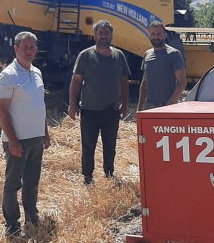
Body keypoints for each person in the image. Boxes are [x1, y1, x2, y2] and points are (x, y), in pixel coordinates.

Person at [0, 32, 51, 237]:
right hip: (17, 140)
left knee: (32, 182)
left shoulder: (36, 72)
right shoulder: (8, 76)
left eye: (32, 47)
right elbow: (1, 110)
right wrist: (13, 140)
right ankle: (12, 224)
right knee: (13, 184)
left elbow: (39, 105)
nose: (28, 51)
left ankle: (31, 217)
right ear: (15, 49)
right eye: (24, 47)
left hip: (35, 138)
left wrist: (44, 132)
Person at [68, 20, 131, 184]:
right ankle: (87, 176)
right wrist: (72, 104)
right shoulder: (85, 55)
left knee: (110, 145)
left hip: (111, 109)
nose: (104, 36)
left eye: (106, 33)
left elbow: (124, 81)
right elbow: (76, 81)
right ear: (95, 35)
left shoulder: (119, 56)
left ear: (111, 35)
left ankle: (109, 173)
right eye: (100, 33)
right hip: (90, 109)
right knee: (88, 145)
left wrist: (124, 105)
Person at [137, 21, 186, 111]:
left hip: (168, 108)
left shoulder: (174, 54)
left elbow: (182, 82)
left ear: (165, 35)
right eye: (153, 34)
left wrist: (169, 103)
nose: (156, 37)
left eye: (159, 34)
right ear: (149, 36)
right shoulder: (147, 54)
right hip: (149, 107)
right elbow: (144, 82)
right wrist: (139, 108)